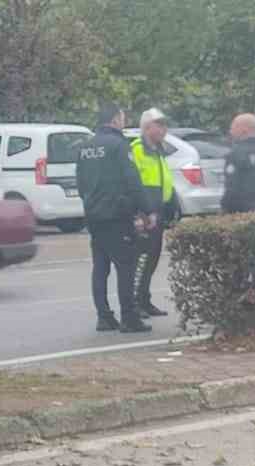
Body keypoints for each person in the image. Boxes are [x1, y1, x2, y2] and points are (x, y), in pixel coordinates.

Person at [76, 102, 152, 333]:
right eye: (122, 117)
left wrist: (90, 204)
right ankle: (129, 318)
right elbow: (132, 180)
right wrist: (146, 209)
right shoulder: (119, 145)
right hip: (117, 216)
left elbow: (80, 183)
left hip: (93, 215)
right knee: (125, 267)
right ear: (115, 119)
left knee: (100, 267)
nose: (124, 121)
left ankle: (104, 317)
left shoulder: (85, 147)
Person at [129, 109, 175, 319]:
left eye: (165, 125)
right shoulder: (138, 149)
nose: (164, 129)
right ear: (147, 128)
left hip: (159, 211)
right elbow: (132, 184)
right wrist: (139, 214)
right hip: (146, 213)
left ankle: (144, 300)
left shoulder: (158, 149)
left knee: (153, 258)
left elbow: (163, 180)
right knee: (141, 259)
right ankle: (134, 302)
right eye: (160, 125)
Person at [221, 113, 255, 213]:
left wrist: (225, 208)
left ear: (243, 129)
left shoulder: (236, 153)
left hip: (242, 209)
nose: (230, 131)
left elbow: (232, 187)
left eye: (233, 127)